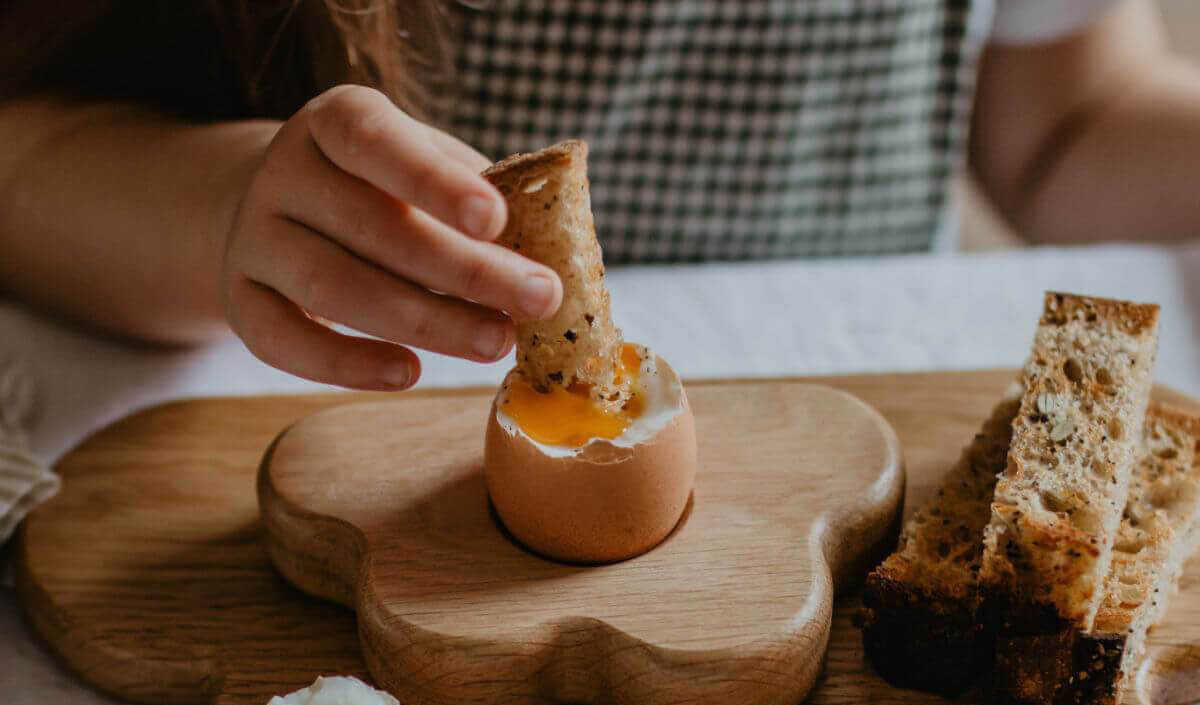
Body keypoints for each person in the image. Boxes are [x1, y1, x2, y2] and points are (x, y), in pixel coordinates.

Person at [0, 0, 1197, 393]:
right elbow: (31, 157)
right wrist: (220, 213)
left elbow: (1064, 134)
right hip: (371, 410)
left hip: (865, 400)